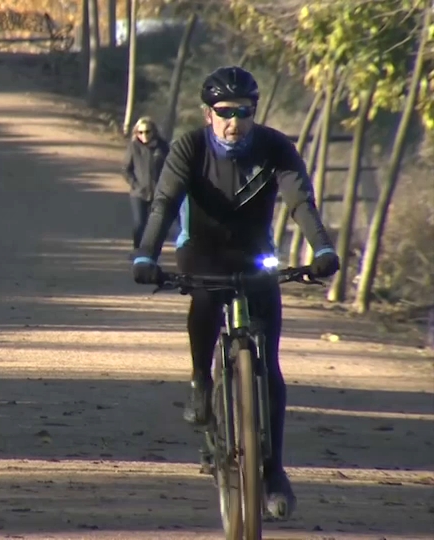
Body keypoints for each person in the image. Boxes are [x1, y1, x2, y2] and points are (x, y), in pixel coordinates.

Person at [130, 66, 340, 519]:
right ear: (209, 114)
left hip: (254, 255)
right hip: (201, 252)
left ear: (254, 113)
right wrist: (146, 256)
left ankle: (275, 472)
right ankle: (201, 382)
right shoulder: (189, 147)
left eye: (244, 112)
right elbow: (164, 203)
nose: (234, 121)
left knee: (271, 365)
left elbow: (301, 201)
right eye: (224, 112)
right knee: (205, 298)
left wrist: (322, 248)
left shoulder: (274, 147)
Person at [124, 117, 170, 251]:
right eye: (140, 132)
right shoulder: (133, 147)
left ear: (153, 131)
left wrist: (165, 186)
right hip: (138, 193)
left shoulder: (162, 147)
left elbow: (169, 167)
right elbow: (126, 169)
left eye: (147, 131)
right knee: (139, 224)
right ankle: (138, 250)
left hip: (157, 193)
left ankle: (151, 252)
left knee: (154, 226)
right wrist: (135, 184)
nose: (144, 135)